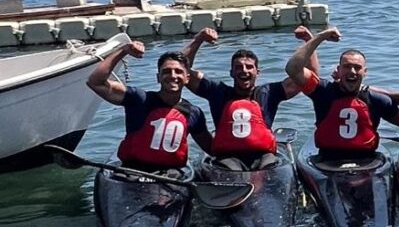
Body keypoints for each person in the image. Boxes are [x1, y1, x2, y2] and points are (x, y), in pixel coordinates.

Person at [180, 26, 319, 170]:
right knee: (230, 168)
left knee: (269, 165)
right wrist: (198, 39)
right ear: (231, 72)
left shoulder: (269, 93)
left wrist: (309, 41)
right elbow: (181, 72)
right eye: (238, 67)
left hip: (263, 157)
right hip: (228, 159)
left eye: (249, 67)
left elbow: (309, 77)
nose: (244, 71)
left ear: (257, 72)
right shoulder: (218, 92)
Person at [285, 27, 399, 160]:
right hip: (327, 162)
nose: (352, 71)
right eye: (347, 66)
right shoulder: (322, 91)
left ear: (365, 72)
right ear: (338, 70)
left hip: (367, 163)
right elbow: (293, 69)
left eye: (357, 68)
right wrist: (320, 37)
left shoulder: (377, 100)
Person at [86, 41, 212, 174]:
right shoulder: (139, 99)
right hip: (132, 173)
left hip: (171, 176)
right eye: (166, 72)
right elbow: (95, 82)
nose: (173, 76)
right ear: (158, 77)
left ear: (187, 78)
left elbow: (210, 148)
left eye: (178, 72)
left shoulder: (194, 113)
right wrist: (123, 51)